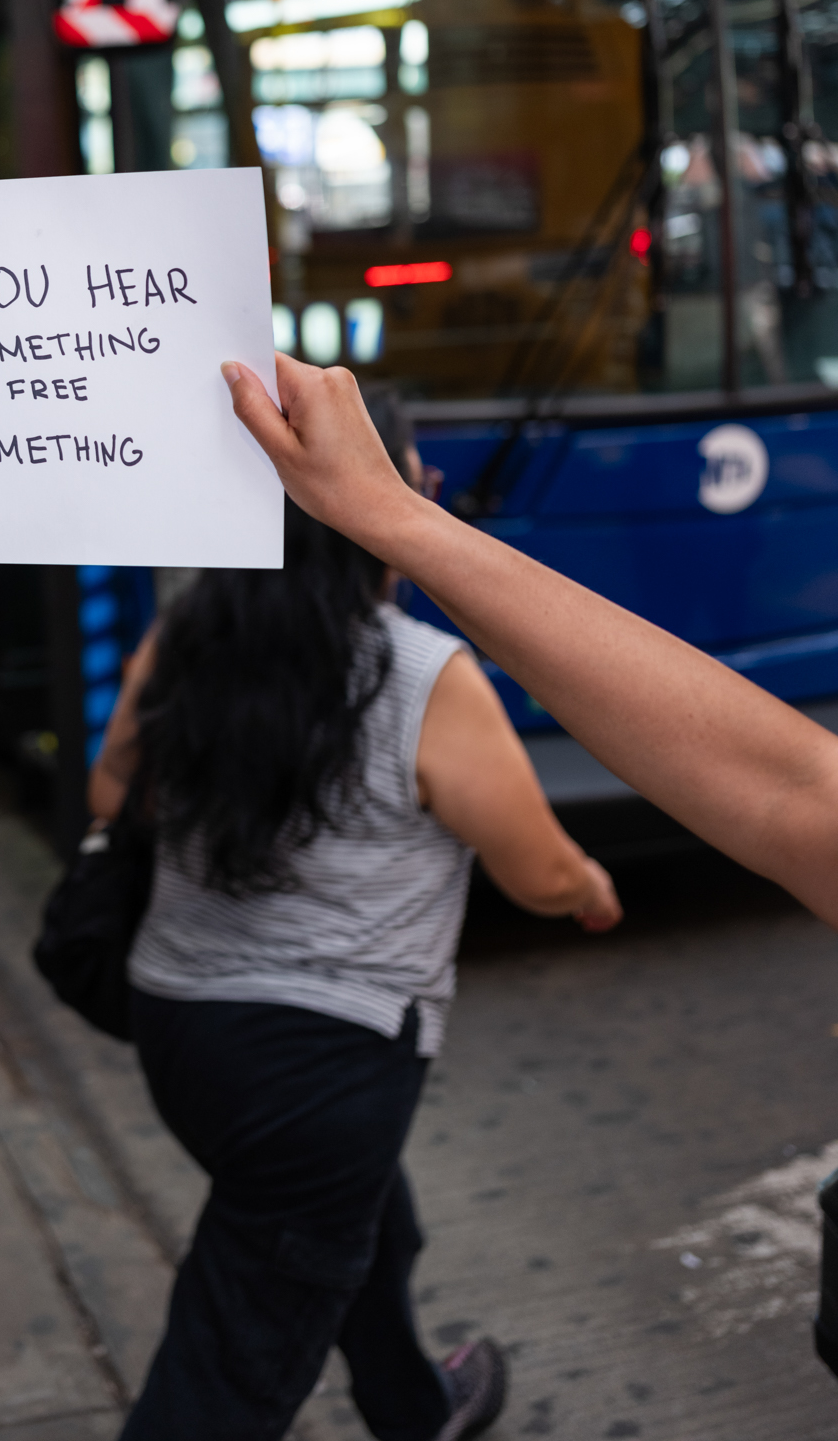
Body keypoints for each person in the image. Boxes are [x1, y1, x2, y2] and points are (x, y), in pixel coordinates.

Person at [88, 393, 622, 1441]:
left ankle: (413, 1407)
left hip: (177, 1026)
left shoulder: (191, 634)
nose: (424, 488)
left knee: (362, 1219)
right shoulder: (424, 676)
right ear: (367, 501)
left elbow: (113, 795)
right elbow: (535, 868)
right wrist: (589, 888)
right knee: (231, 1357)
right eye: (414, 477)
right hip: (323, 1069)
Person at [219, 355, 838, 933]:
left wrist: (389, 514)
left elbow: (793, 790)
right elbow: (792, 792)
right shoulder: (428, 673)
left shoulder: (192, 641)